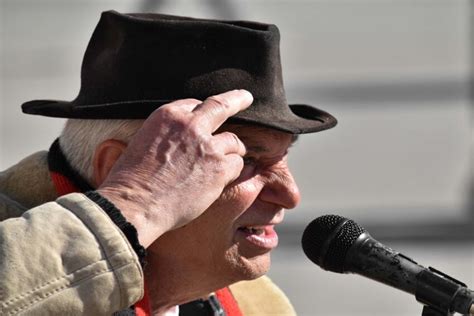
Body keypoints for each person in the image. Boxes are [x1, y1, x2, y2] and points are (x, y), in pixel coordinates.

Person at [0, 11, 337, 315]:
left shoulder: (261, 307)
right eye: (245, 158)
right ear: (121, 169)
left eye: (283, 157)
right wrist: (135, 201)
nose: (290, 195)